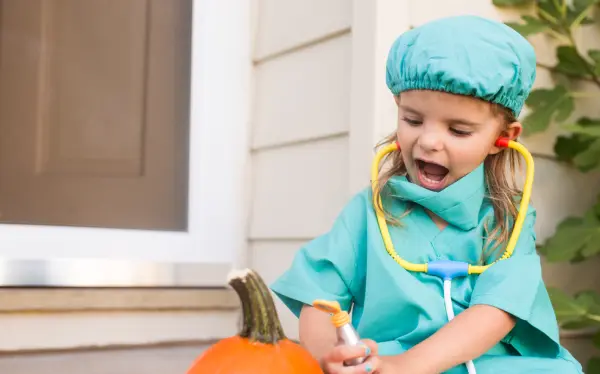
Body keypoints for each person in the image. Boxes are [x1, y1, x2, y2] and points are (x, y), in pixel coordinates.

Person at [269, 15, 583, 374]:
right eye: (413, 120)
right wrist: (332, 356)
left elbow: (499, 309)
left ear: (504, 138)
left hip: (483, 362)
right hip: (384, 362)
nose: (429, 141)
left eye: (459, 130)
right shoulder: (370, 212)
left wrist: (410, 365)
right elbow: (318, 298)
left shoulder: (508, 222)